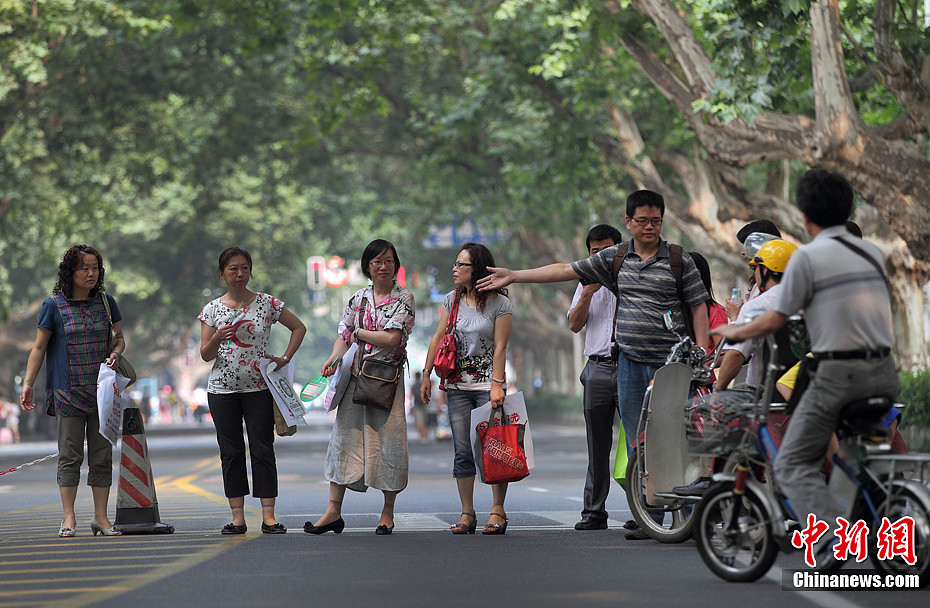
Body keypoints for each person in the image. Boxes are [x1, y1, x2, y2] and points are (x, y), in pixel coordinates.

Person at [476, 190, 709, 540]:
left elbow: (698, 306)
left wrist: (701, 354)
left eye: (656, 221)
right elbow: (564, 270)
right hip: (629, 364)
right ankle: (652, 516)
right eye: (642, 221)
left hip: (670, 365)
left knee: (676, 437)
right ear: (628, 222)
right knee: (638, 443)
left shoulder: (678, 259)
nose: (649, 227)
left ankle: (688, 516)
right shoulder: (615, 257)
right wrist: (515, 275)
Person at [712, 169, 899, 568]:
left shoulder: (807, 259)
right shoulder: (873, 253)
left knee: (792, 463)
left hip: (840, 376)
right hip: (885, 372)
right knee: (850, 456)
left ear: (807, 219)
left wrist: (734, 327)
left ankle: (835, 537)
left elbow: (774, 317)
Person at [307, 239, 415, 535]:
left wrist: (358, 333)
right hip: (354, 377)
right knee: (343, 440)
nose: (384, 266)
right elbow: (343, 336)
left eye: (389, 261)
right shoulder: (358, 298)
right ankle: (332, 512)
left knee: (388, 443)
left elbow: (392, 338)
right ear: (367, 266)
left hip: (385, 381)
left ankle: (387, 514)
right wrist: (333, 357)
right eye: (377, 261)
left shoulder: (404, 298)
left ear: (396, 265)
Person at [19, 245, 126, 537]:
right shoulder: (53, 305)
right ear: (70, 272)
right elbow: (39, 347)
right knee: (70, 454)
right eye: (84, 268)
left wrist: (116, 351)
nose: (91, 273)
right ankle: (68, 518)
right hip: (67, 391)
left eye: (95, 268)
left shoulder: (106, 302)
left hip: (103, 391)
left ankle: (101, 518)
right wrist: (28, 383)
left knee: (102, 454)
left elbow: (120, 338)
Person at [198, 247, 306, 535]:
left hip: (259, 387)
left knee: (262, 449)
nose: (239, 273)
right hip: (221, 391)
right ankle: (237, 517)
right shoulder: (212, 310)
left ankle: (269, 517)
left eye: (244, 268)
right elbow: (205, 355)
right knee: (230, 452)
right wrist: (218, 337)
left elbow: (298, 328)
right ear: (222, 274)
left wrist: (284, 357)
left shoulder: (267, 303)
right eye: (232, 269)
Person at [421, 243, 513, 535]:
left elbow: (500, 347)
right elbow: (438, 338)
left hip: (489, 387)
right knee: (462, 450)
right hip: (458, 387)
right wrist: (426, 375)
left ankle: (497, 510)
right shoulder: (452, 300)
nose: (455, 269)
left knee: (495, 449)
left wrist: (497, 385)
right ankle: (467, 512)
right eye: (455, 264)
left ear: (478, 270)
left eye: (461, 265)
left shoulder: (500, 304)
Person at [567, 224, 623, 531]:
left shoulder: (633, 278)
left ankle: (647, 515)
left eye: (607, 250)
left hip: (631, 366)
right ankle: (593, 512)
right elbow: (574, 324)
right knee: (597, 447)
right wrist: (588, 291)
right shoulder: (584, 283)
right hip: (598, 368)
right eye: (594, 252)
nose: (600, 256)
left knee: (640, 443)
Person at [714, 239, 798, 392]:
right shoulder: (811, 300)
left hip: (763, 395)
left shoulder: (757, 306)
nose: (755, 273)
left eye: (756, 268)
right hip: (804, 390)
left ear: (765, 270)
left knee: (704, 411)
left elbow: (736, 355)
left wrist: (718, 389)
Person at [410, 372, 430, 441]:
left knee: (419, 421)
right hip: (424, 404)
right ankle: (426, 436)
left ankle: (421, 436)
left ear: (415, 377)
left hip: (417, 405)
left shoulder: (414, 386)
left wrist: (411, 406)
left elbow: (411, 396)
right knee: (425, 421)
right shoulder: (423, 384)